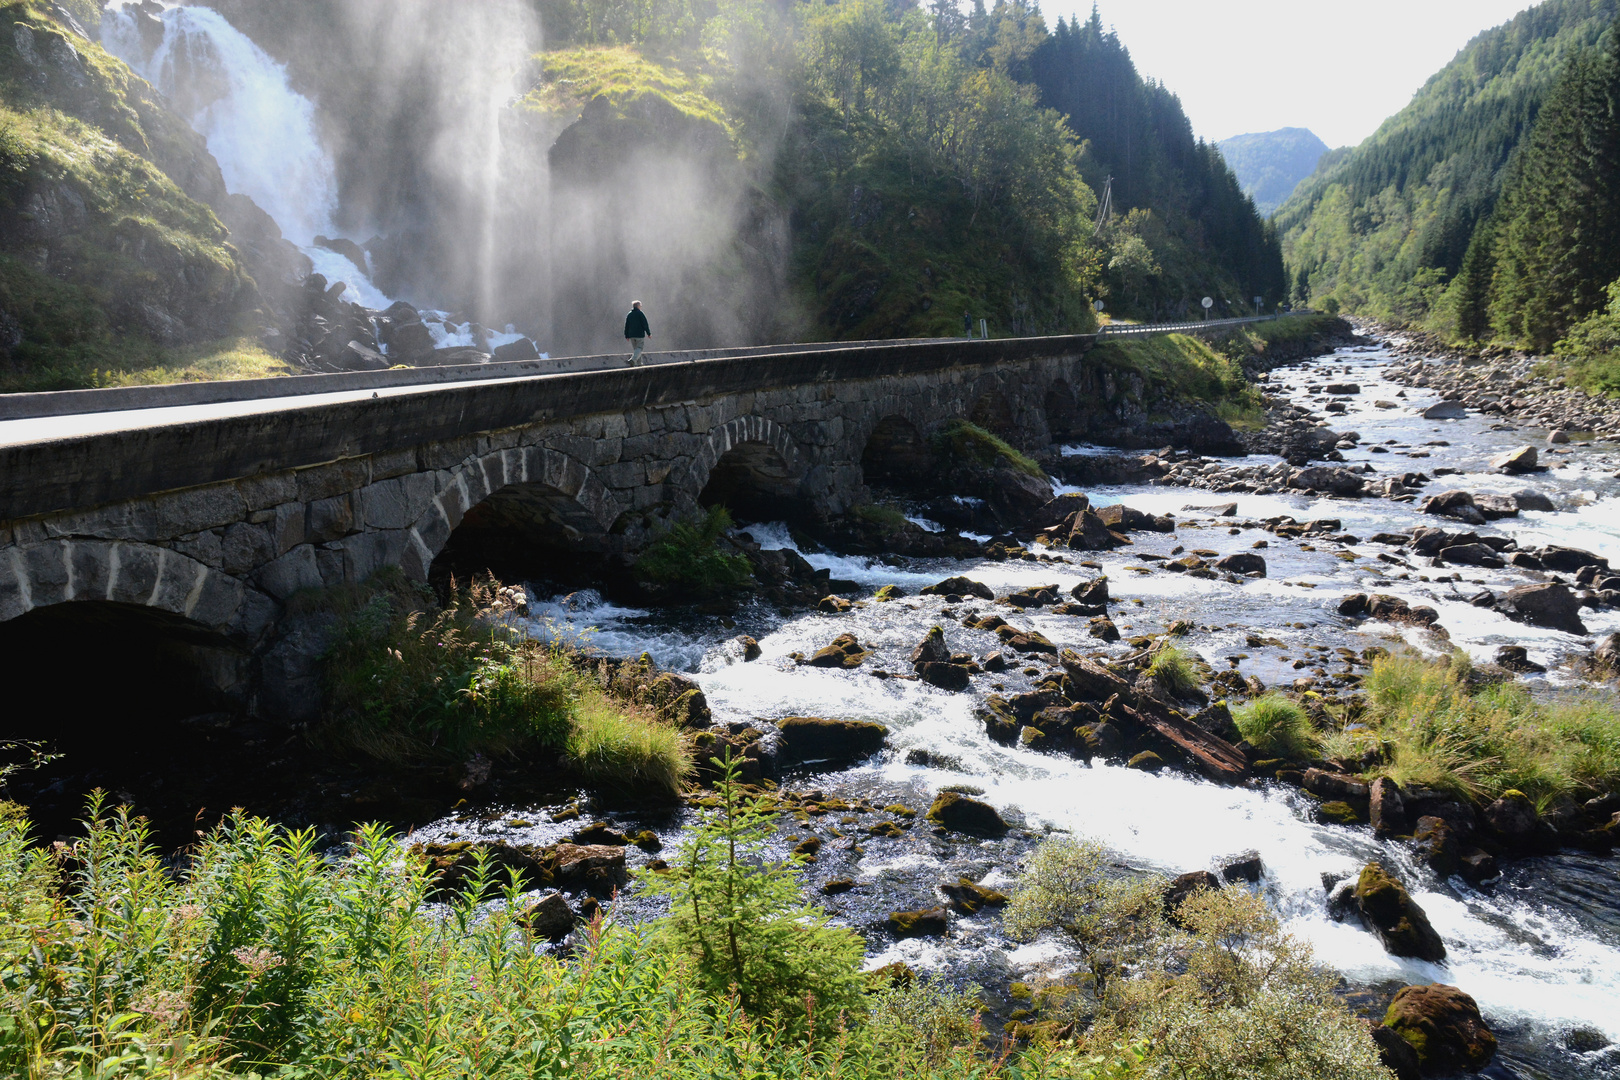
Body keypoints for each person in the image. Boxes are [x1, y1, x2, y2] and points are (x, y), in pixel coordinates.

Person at [624, 301, 651, 365]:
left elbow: (627, 325)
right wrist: (648, 333)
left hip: (631, 335)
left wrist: (626, 335)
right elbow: (645, 324)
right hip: (639, 334)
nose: (641, 307)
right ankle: (633, 360)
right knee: (639, 348)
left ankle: (639, 364)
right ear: (638, 306)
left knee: (636, 350)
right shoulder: (640, 313)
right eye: (640, 306)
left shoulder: (629, 314)